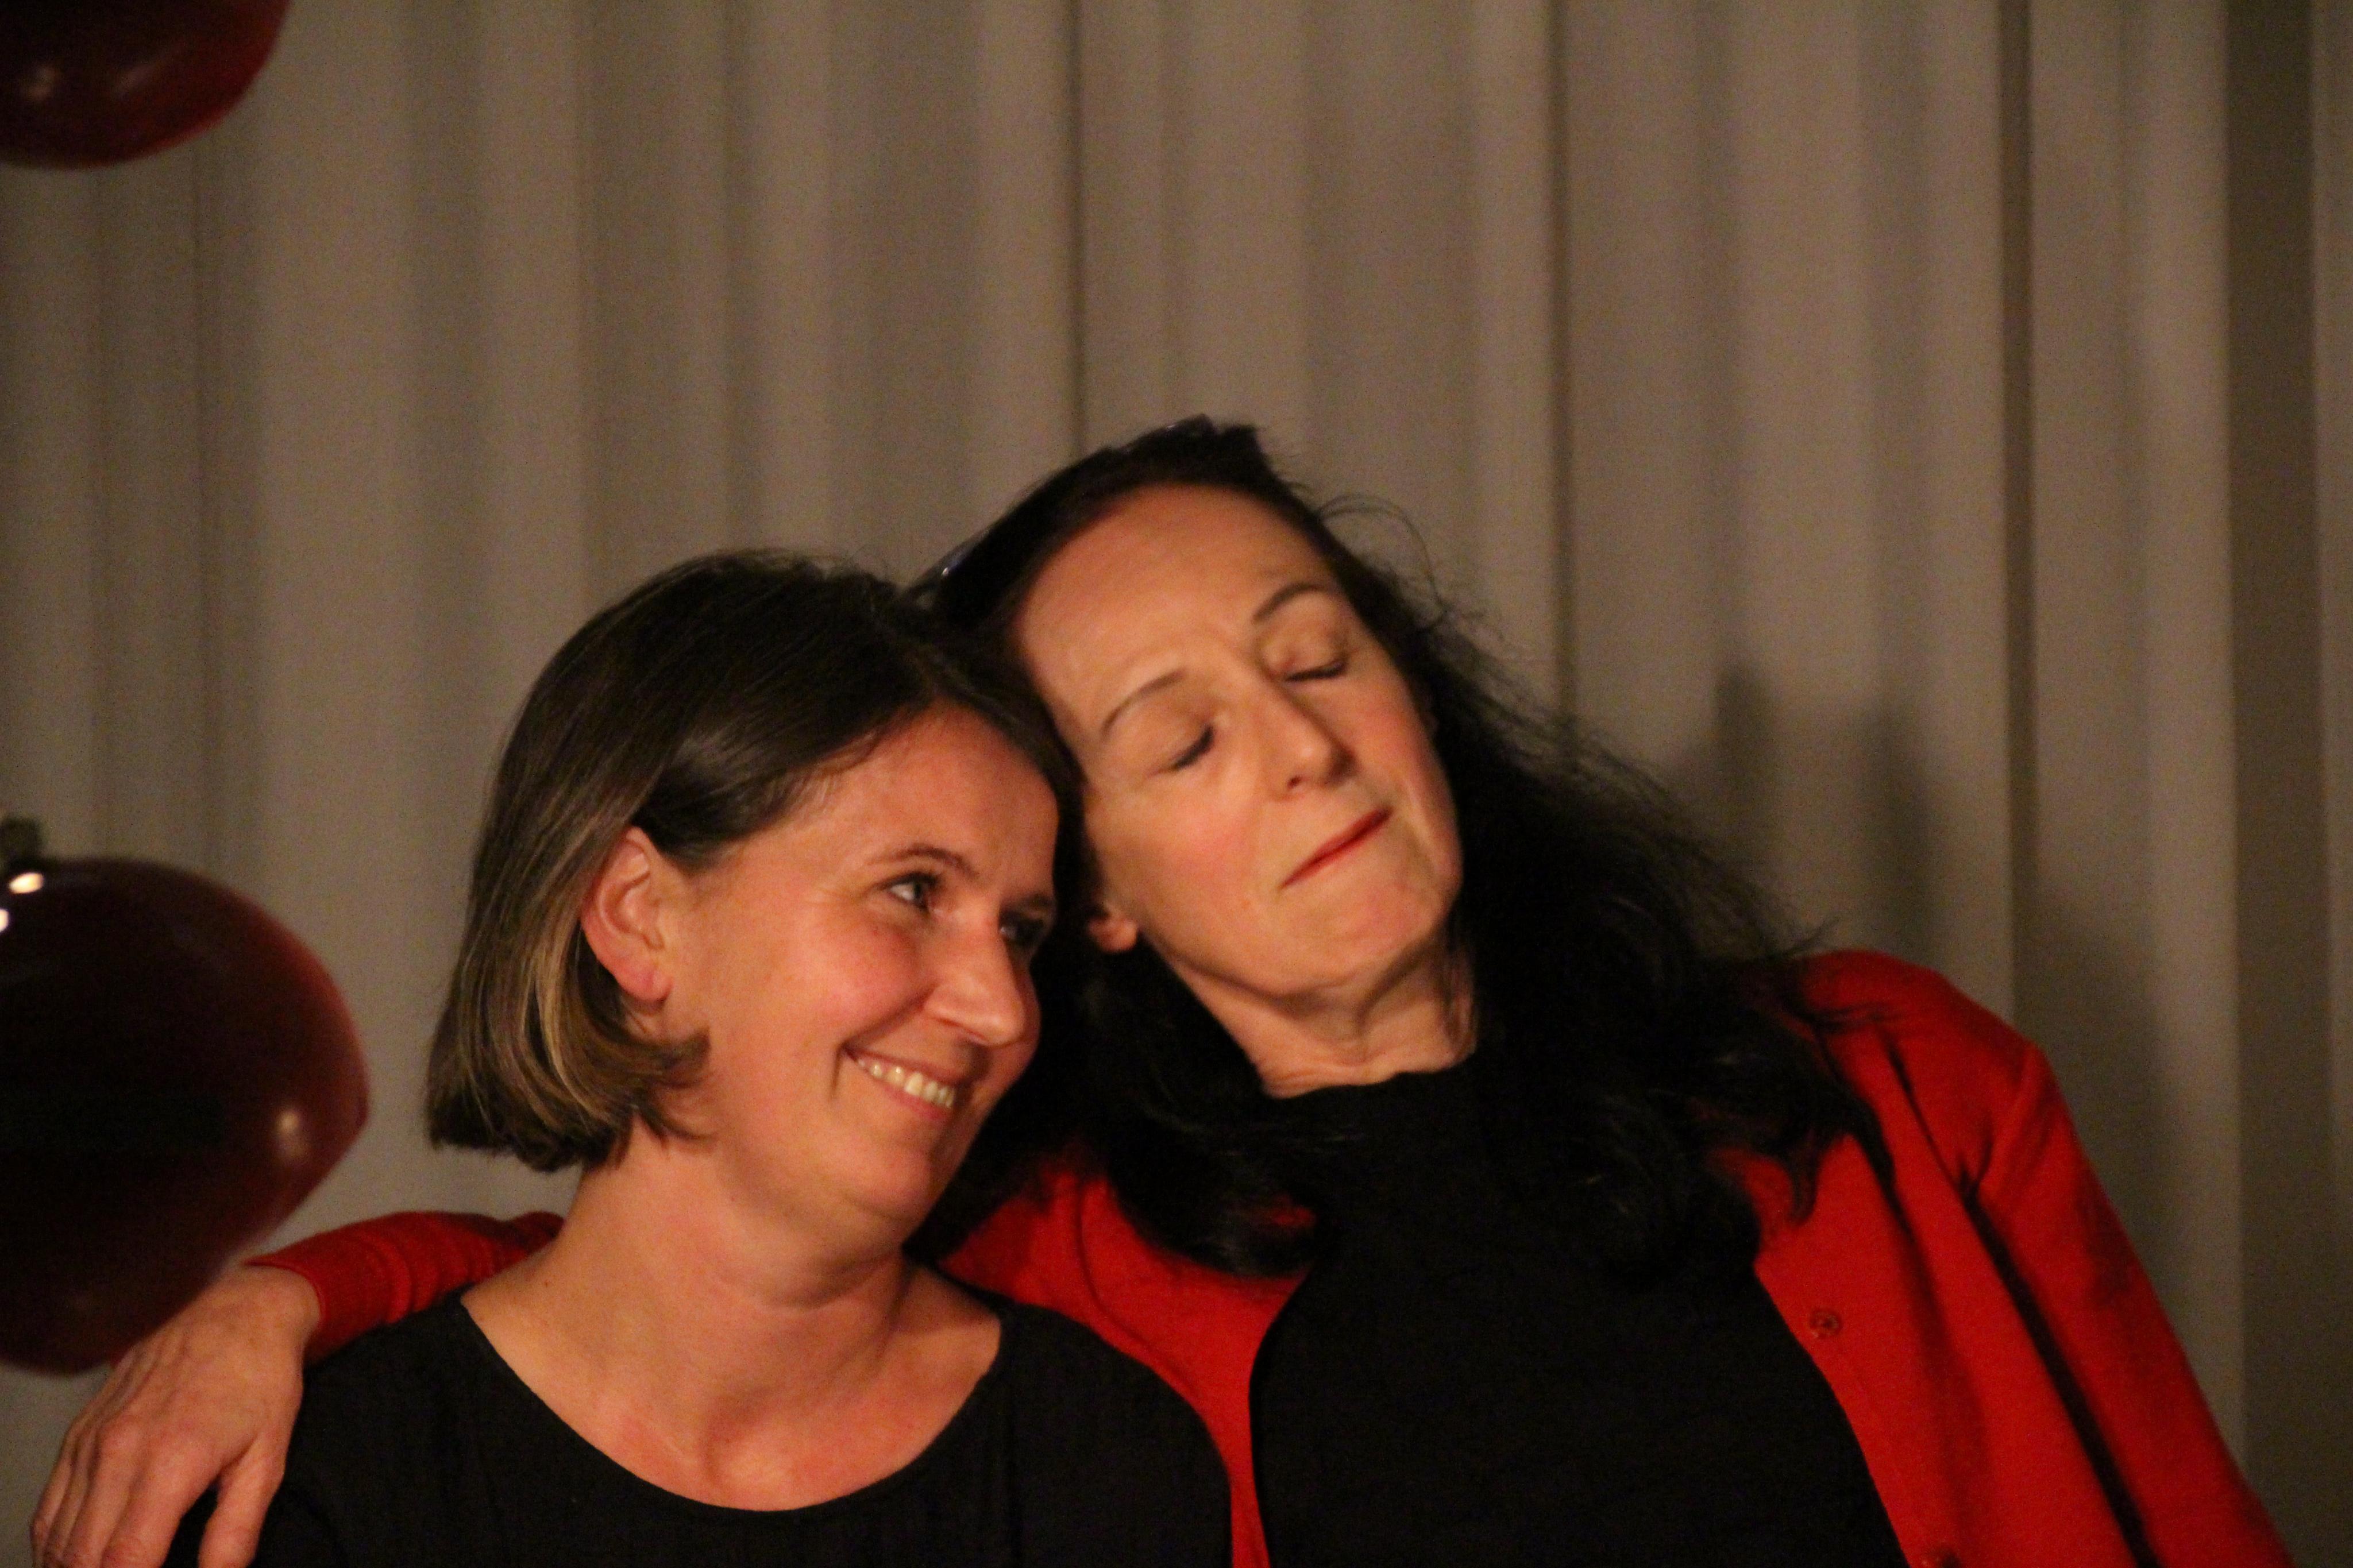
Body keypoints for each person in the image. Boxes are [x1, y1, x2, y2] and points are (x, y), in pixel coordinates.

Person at [37, 424, 2289, 1568]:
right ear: (1093, 893)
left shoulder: (1891, 1083)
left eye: (1319, 656)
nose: (1303, 743)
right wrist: (287, 1303)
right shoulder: (1058, 1277)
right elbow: (661, 1279)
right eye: (1184, 734)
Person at [124, 554, 1228, 1567]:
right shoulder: (312, 1486)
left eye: (1020, 932)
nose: (1000, 1008)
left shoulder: (1105, 1460)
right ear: (638, 915)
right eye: (912, 891)